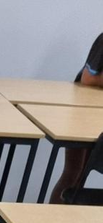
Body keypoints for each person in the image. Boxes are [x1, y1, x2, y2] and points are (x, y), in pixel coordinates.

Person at [49, 32, 103, 203]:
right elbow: (88, 78)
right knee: (74, 173)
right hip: (83, 114)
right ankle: (51, 216)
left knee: (80, 177)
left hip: (99, 117)